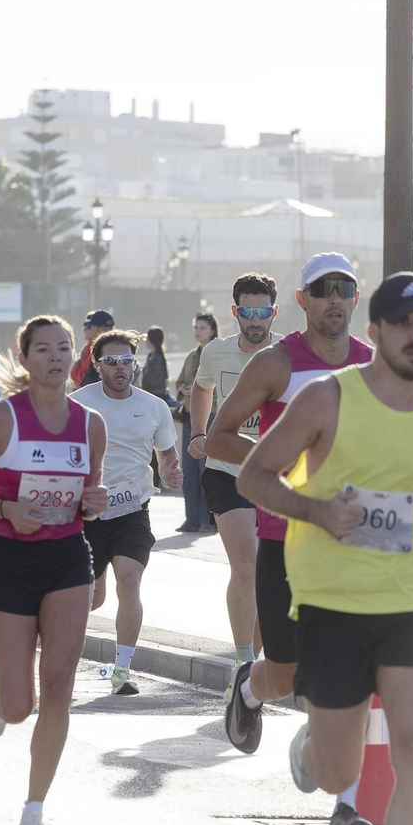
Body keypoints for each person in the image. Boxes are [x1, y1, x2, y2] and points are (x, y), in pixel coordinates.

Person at [239, 273, 413, 825]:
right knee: (334, 771)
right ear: (374, 331)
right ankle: (311, 750)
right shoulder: (328, 397)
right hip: (332, 605)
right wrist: (317, 511)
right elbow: (255, 474)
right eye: (402, 323)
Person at [208, 254, 377, 825]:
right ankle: (250, 692)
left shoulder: (371, 366)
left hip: (353, 544)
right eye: (322, 291)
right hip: (285, 539)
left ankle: (348, 813)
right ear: (302, 302)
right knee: (285, 673)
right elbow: (217, 437)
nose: (335, 299)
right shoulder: (275, 364)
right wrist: (278, 467)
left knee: (358, 676)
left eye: (345, 290)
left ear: (356, 299)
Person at [0, 316, 109, 825]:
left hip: (67, 559)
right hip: (10, 560)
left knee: (60, 689)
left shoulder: (91, 424)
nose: (57, 358)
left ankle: (33, 815)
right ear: (25, 357)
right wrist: (4, 509)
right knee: (19, 707)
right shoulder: (0, 418)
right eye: (44, 349)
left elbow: (92, 491)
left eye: (64, 348)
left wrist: (95, 501)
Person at [71, 329, 181, 695]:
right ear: (97, 365)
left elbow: (166, 454)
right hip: (87, 512)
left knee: (130, 581)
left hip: (134, 509)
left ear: (136, 363)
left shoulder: (154, 406)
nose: (120, 369)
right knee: (90, 598)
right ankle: (59, 650)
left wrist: (169, 471)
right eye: (111, 362)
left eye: (126, 362)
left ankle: (122, 669)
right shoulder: (79, 403)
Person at [190, 273, 279, 668]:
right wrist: (197, 431)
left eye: (263, 312)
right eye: (248, 312)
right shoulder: (215, 352)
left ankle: (254, 659)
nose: (255, 320)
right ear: (236, 312)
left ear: (274, 312)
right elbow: (201, 388)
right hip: (226, 470)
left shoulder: (290, 354)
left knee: (273, 577)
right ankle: (243, 663)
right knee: (245, 564)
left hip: (278, 474)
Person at [174, 312, 219, 532]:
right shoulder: (192, 355)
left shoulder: (218, 353)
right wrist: (183, 389)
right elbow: (180, 381)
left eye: (202, 327)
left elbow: (223, 383)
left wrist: (203, 391)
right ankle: (191, 519)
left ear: (212, 330)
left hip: (211, 415)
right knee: (189, 470)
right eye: (196, 327)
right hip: (191, 416)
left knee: (206, 470)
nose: (198, 331)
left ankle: (208, 520)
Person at [74, 309, 115, 388]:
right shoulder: (88, 348)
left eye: (88, 327)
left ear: (100, 328)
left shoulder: (110, 349)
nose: (84, 330)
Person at [140, 326, 172, 403]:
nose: (145, 341)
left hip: (156, 395)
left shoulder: (157, 358)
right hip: (153, 394)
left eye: (146, 338)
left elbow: (152, 381)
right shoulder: (152, 356)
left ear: (151, 340)